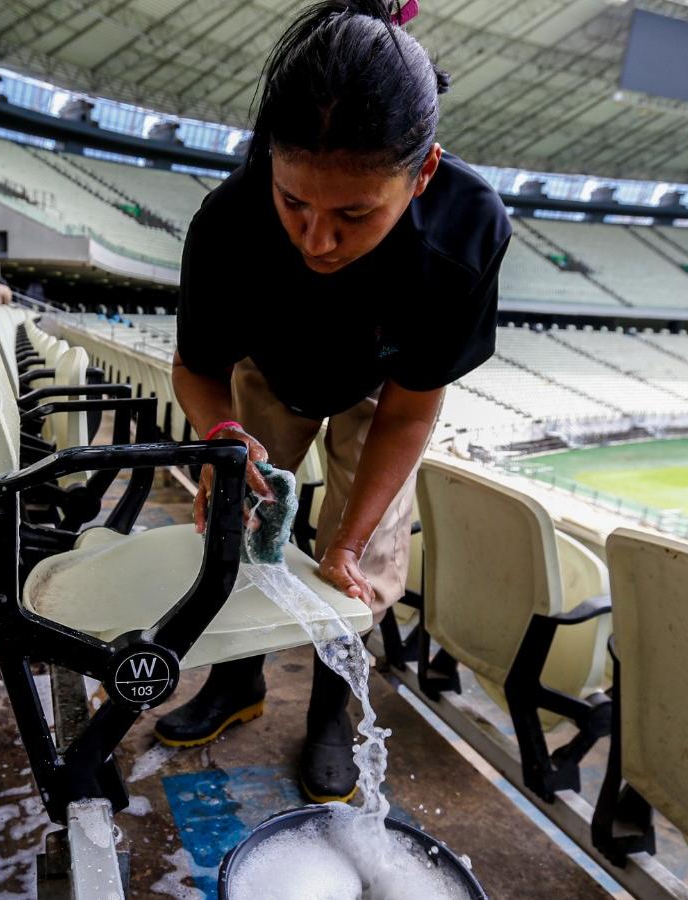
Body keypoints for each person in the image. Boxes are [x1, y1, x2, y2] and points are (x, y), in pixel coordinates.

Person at [157, 0, 511, 803]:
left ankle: (330, 710)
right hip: (269, 371)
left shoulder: (464, 232)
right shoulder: (228, 223)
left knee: (363, 559)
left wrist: (347, 543)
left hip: (381, 386)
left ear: (422, 176)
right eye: (295, 204)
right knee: (236, 517)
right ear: (270, 168)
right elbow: (196, 366)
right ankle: (235, 678)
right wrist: (221, 434)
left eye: (355, 215)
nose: (317, 241)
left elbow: (412, 410)